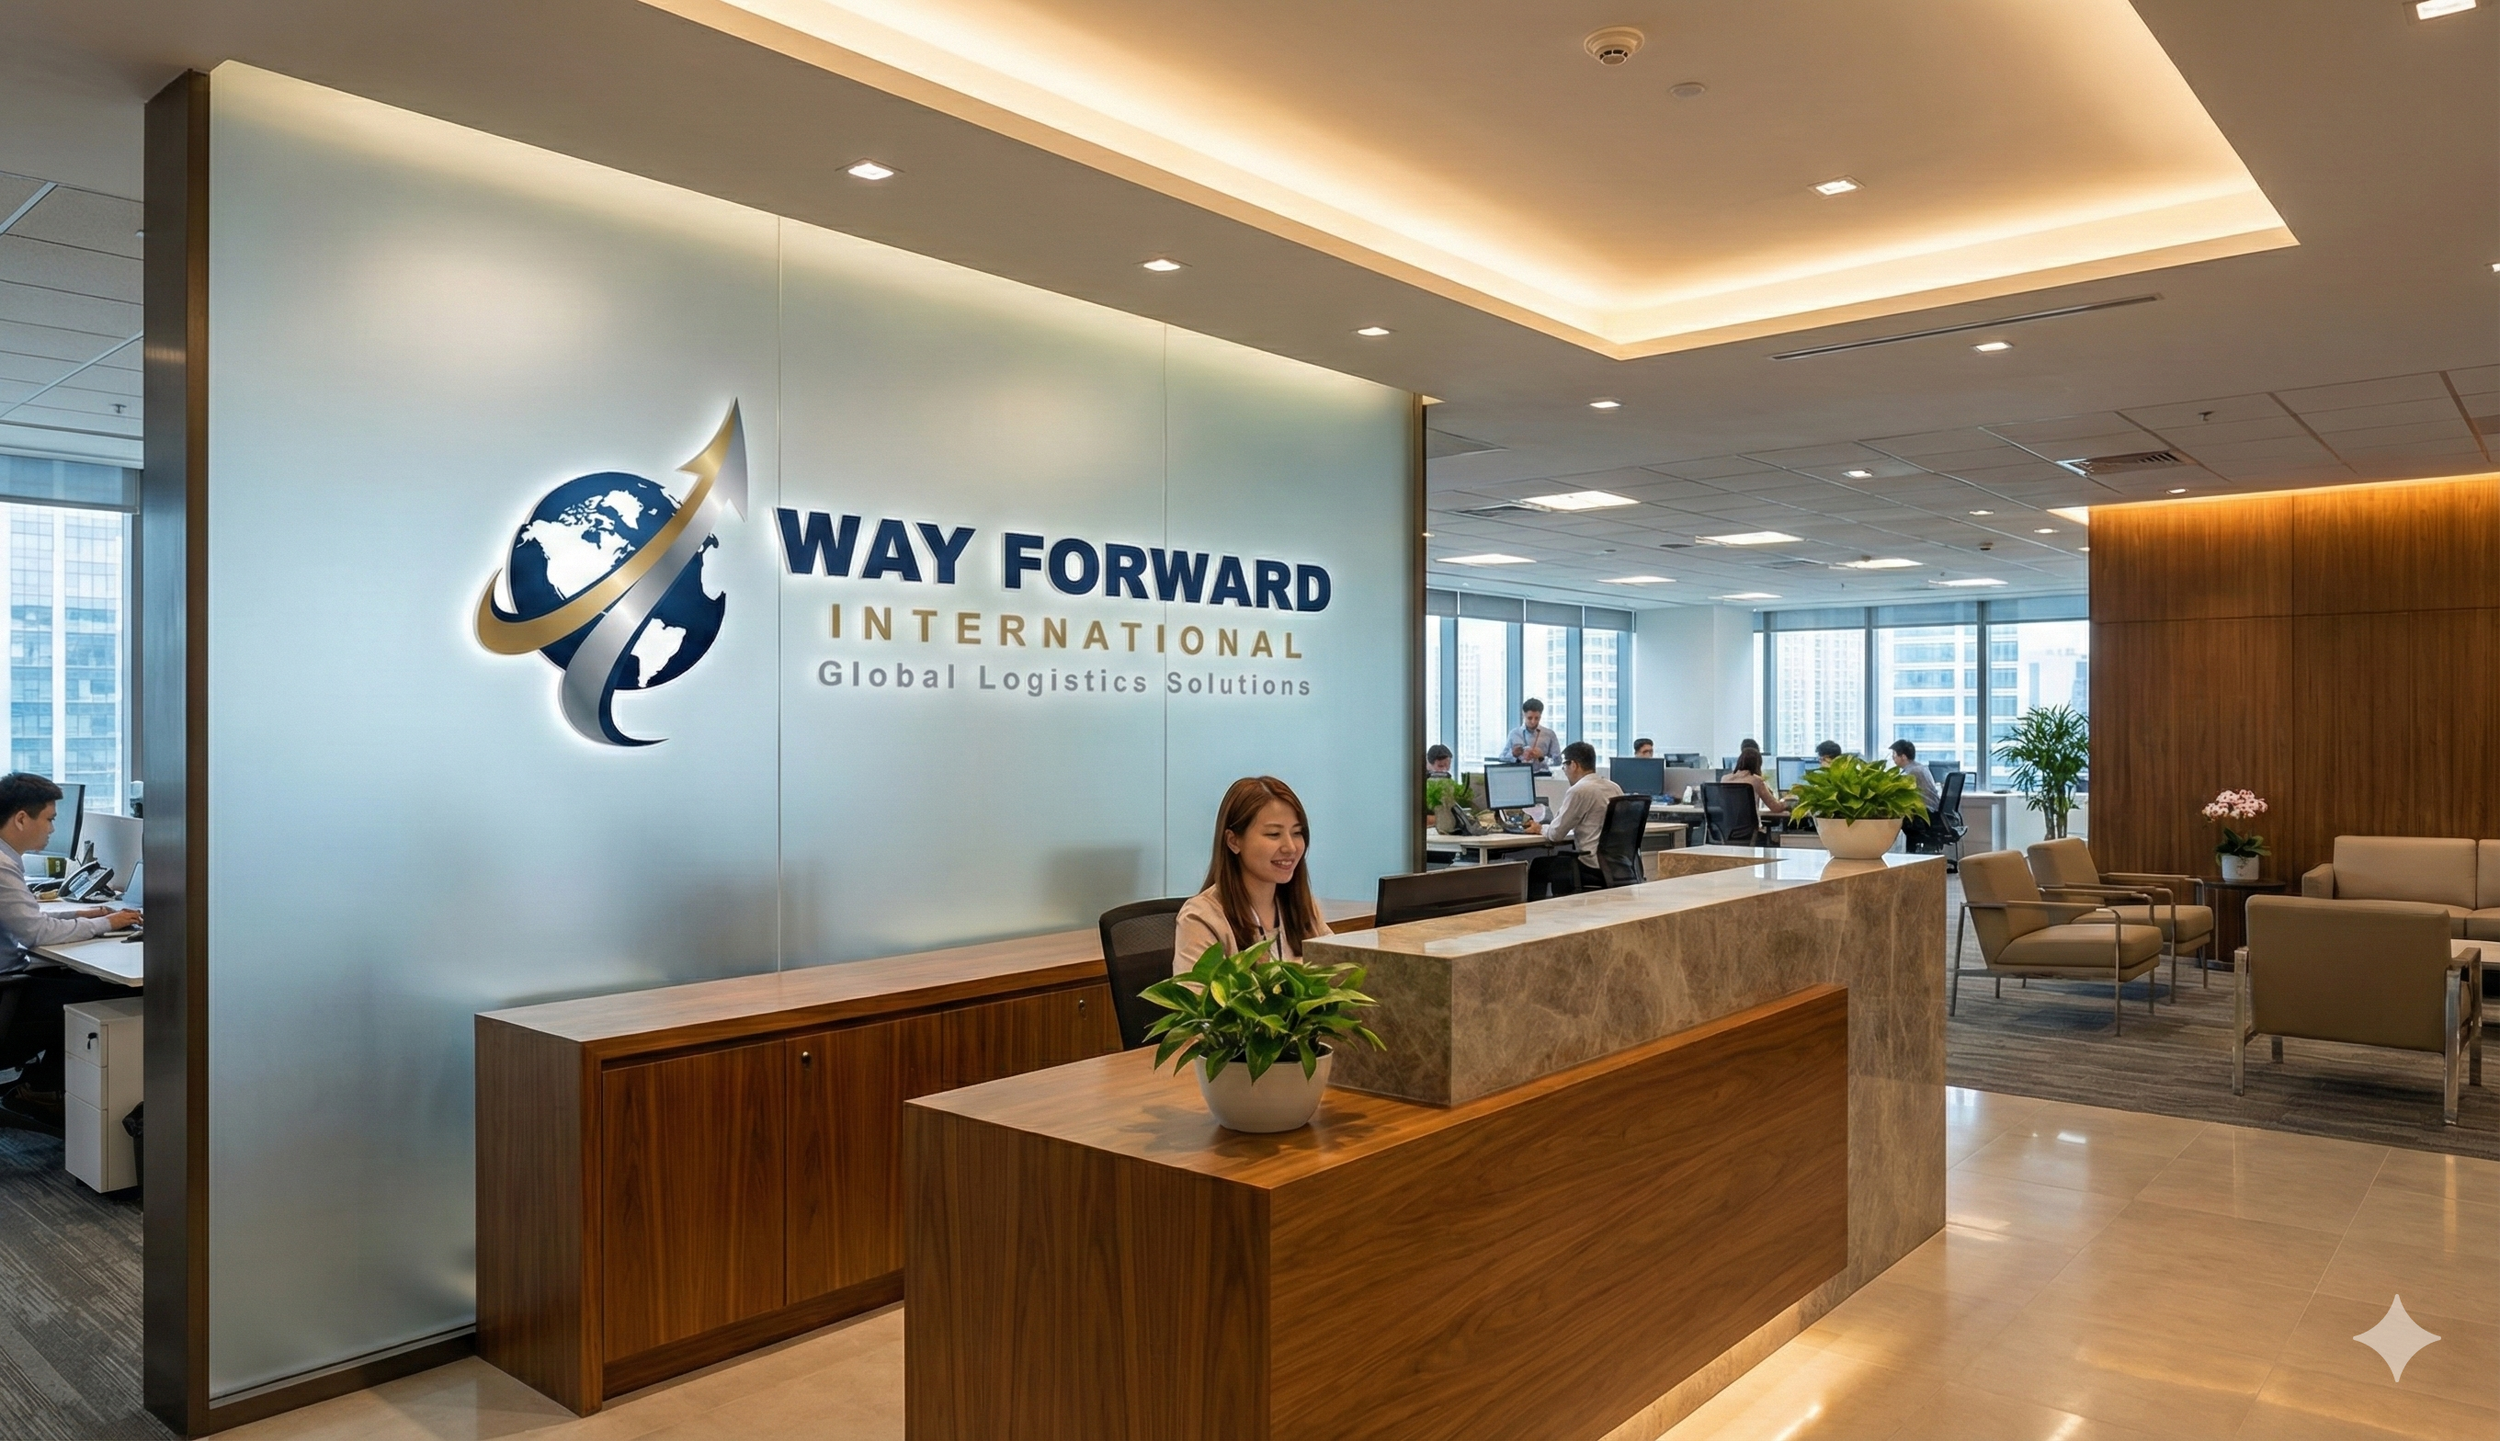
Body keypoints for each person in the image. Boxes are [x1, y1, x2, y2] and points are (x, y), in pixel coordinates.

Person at [0, 773, 141, 1127]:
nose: (51, 829)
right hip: (6, 996)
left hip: (10, 981)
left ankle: (43, 1085)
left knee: (68, 976)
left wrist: (79, 912)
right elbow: (35, 933)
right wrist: (107, 923)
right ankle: (41, 1089)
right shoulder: (2, 866)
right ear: (20, 818)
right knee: (108, 990)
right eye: (49, 818)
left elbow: (23, 917)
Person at [1174, 776, 1330, 971]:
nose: (1290, 847)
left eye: (1297, 833)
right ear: (1233, 841)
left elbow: (1340, 978)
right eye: (1274, 834)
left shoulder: (1304, 908)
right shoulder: (1202, 918)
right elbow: (1198, 998)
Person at [1525, 741, 1622, 892]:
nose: (1564, 770)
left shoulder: (1579, 790)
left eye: (1564, 765)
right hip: (1617, 865)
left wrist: (1540, 828)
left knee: (1539, 866)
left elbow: (1555, 835)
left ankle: (1537, 915)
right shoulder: (1614, 787)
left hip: (1591, 864)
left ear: (1574, 765)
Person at [1722, 742, 1792, 818]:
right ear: (1757, 765)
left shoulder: (1724, 779)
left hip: (1726, 828)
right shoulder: (1756, 780)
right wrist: (1786, 801)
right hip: (1750, 828)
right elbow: (1775, 808)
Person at [1503, 700, 1560, 773]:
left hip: (1542, 777)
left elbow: (1558, 761)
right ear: (1523, 714)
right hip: (1519, 775)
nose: (1533, 721)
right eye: (1529, 718)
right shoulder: (1514, 733)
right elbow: (1502, 757)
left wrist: (1541, 758)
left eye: (1537, 718)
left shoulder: (1549, 734)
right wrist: (1513, 754)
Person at [1890, 739, 1941, 809]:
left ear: (1903, 757)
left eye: (1894, 754)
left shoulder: (1912, 772)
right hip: (1932, 809)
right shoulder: (1920, 767)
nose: (1892, 757)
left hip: (1925, 812)